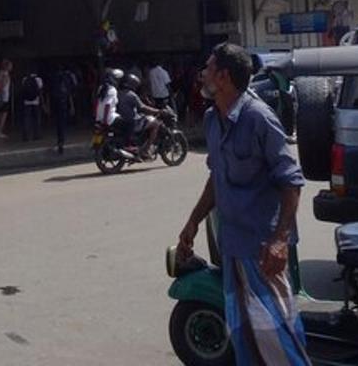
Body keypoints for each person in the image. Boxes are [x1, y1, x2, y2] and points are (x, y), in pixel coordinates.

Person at [177, 43, 309, 365]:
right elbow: (216, 178)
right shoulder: (212, 119)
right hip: (232, 245)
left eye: (208, 69)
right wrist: (193, 221)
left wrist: (279, 240)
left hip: (263, 249)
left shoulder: (259, 118)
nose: (202, 75)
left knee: (278, 334)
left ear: (223, 77)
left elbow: (291, 181)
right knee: (243, 332)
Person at [117, 71, 161, 157]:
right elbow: (143, 108)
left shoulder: (118, 93)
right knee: (156, 124)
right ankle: (146, 149)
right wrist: (157, 111)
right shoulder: (132, 95)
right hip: (132, 121)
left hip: (122, 120)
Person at [48, 65, 76, 154]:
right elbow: (69, 95)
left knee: (59, 124)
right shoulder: (66, 83)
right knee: (62, 124)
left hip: (56, 105)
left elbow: (49, 94)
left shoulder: (54, 83)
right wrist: (72, 106)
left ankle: (60, 141)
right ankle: (61, 141)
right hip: (63, 105)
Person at [19, 69, 43, 142]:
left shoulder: (24, 79)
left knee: (26, 119)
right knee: (37, 118)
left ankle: (26, 136)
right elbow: (40, 90)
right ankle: (37, 135)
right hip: (36, 101)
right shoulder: (38, 79)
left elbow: (23, 89)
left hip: (26, 102)